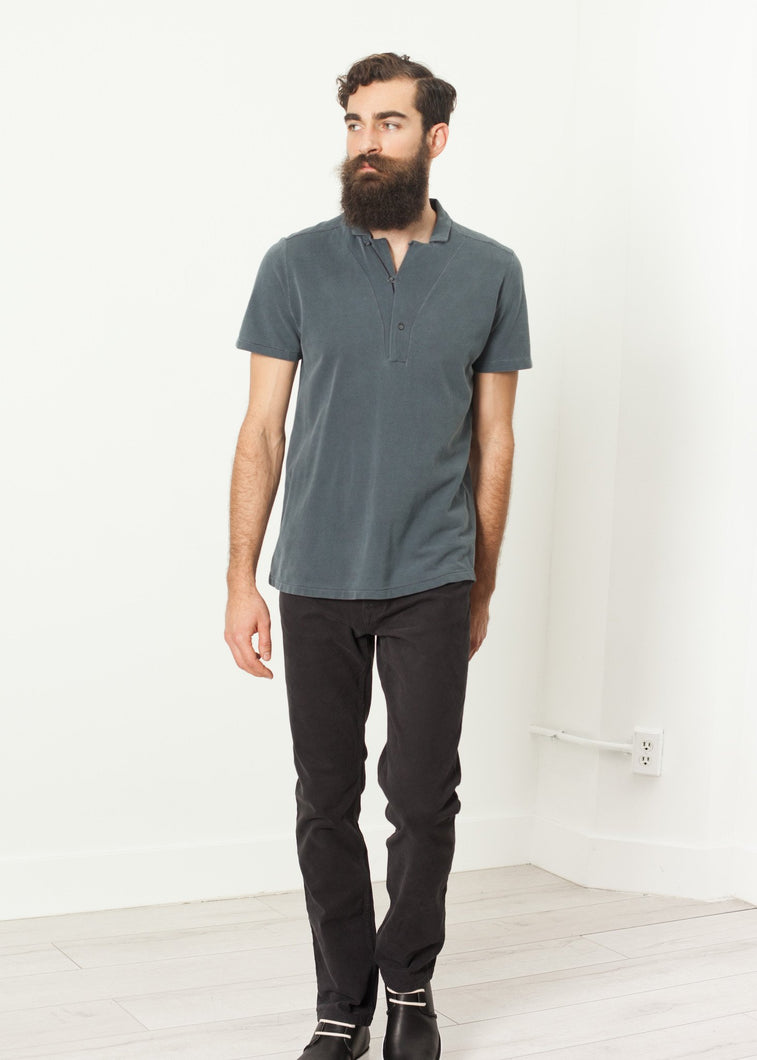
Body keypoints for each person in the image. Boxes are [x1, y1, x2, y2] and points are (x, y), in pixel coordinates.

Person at [225, 51, 532, 1060]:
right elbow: (261, 429)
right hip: (313, 574)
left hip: (432, 575)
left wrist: (481, 583)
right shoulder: (294, 263)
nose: (366, 143)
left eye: (388, 124)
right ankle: (339, 1003)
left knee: (422, 799)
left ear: (433, 139)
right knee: (325, 800)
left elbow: (494, 439)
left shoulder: (491, 270)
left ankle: (409, 985)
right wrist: (240, 577)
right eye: (355, 123)